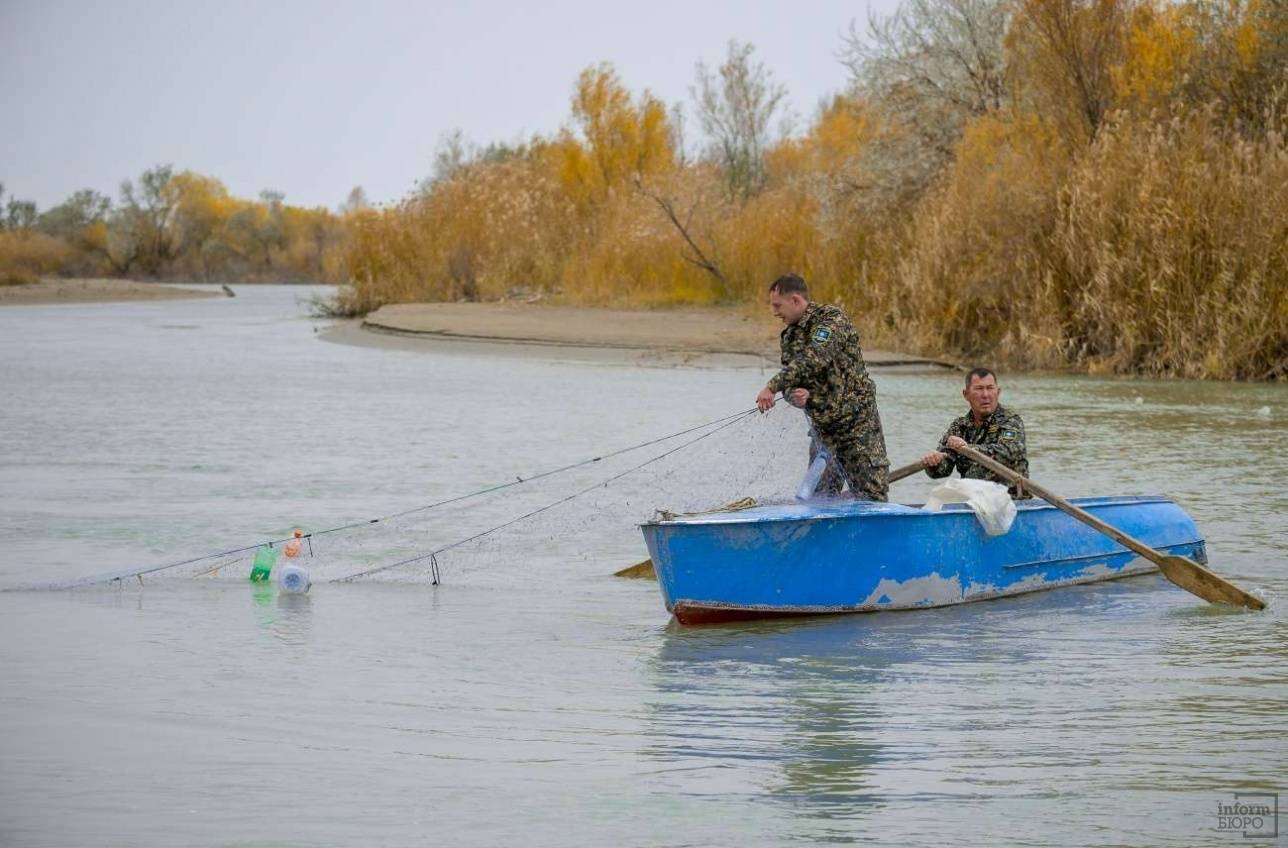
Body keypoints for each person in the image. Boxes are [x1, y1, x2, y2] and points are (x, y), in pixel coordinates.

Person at [755, 274, 890, 501]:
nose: (774, 312)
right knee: (819, 498)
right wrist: (793, 395)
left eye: (778, 305)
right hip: (824, 433)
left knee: (871, 496)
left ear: (796, 300)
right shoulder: (790, 335)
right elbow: (793, 378)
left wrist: (772, 386)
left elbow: (815, 357)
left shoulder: (831, 320)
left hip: (857, 428)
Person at [921, 367, 1031, 498]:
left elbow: (1008, 452)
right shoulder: (959, 426)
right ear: (966, 394)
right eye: (979, 389)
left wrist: (967, 449)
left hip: (1010, 502)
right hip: (973, 502)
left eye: (990, 388)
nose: (985, 395)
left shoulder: (1010, 421)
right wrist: (934, 462)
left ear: (998, 392)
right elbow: (942, 470)